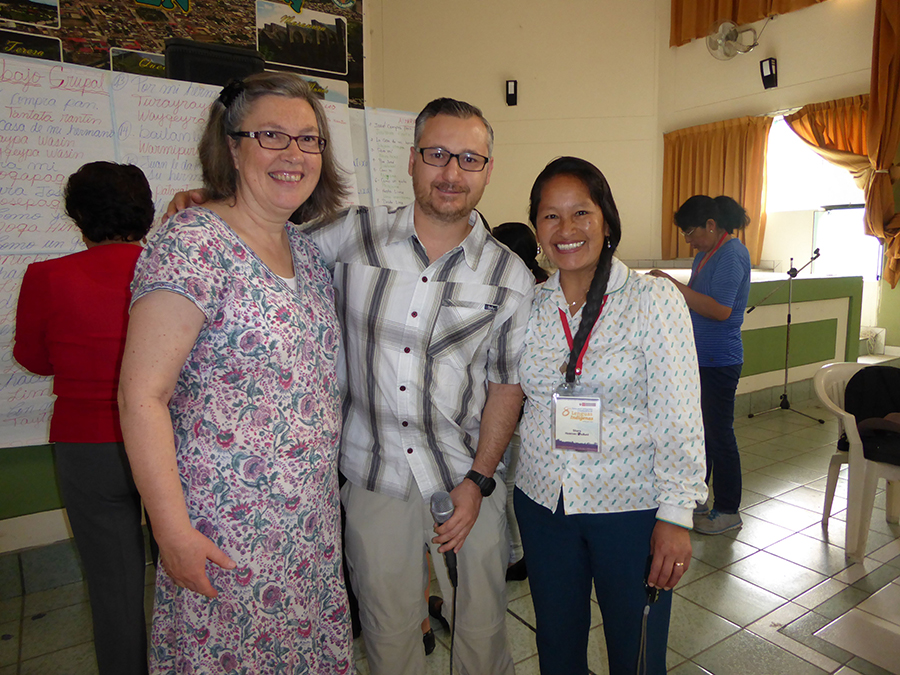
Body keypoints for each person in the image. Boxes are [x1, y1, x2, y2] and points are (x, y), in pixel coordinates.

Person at [167, 97, 534, 675]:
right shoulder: (348, 235)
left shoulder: (508, 273)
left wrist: (480, 480)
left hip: (465, 480)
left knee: (483, 631)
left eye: (470, 159)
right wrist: (214, 209)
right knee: (389, 633)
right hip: (372, 476)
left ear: (488, 169)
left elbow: (505, 388)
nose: (452, 172)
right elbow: (262, 238)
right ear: (411, 160)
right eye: (437, 154)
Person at [118, 72, 353, 674]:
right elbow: (142, 396)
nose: (294, 153)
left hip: (307, 529)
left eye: (309, 139)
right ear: (231, 146)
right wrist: (172, 533)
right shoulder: (193, 243)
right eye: (271, 135)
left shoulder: (305, 251)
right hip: (225, 532)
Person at [514, 157, 706, 675]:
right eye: (550, 216)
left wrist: (676, 516)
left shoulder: (652, 299)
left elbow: (680, 414)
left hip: (629, 507)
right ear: (537, 228)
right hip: (543, 502)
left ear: (606, 220)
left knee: (635, 650)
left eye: (581, 212)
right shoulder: (531, 305)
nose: (566, 229)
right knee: (556, 645)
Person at [13, 161, 155, 675]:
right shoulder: (171, 269)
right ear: (147, 212)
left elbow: (33, 358)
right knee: (187, 572)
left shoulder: (47, 277)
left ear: (76, 215)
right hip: (170, 439)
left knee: (112, 584)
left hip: (86, 446)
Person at [649, 195, 751, 535]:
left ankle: (728, 509)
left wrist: (672, 285)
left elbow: (720, 310)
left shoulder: (732, 254)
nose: (689, 241)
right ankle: (698, 498)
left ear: (711, 225)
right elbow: (694, 300)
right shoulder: (705, 254)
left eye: (690, 232)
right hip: (698, 358)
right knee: (699, 433)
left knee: (719, 435)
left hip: (719, 360)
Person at [491, 221, 548, 582]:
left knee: (510, 485)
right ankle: (519, 552)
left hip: (520, 408)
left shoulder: (526, 291)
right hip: (523, 408)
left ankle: (516, 555)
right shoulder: (541, 283)